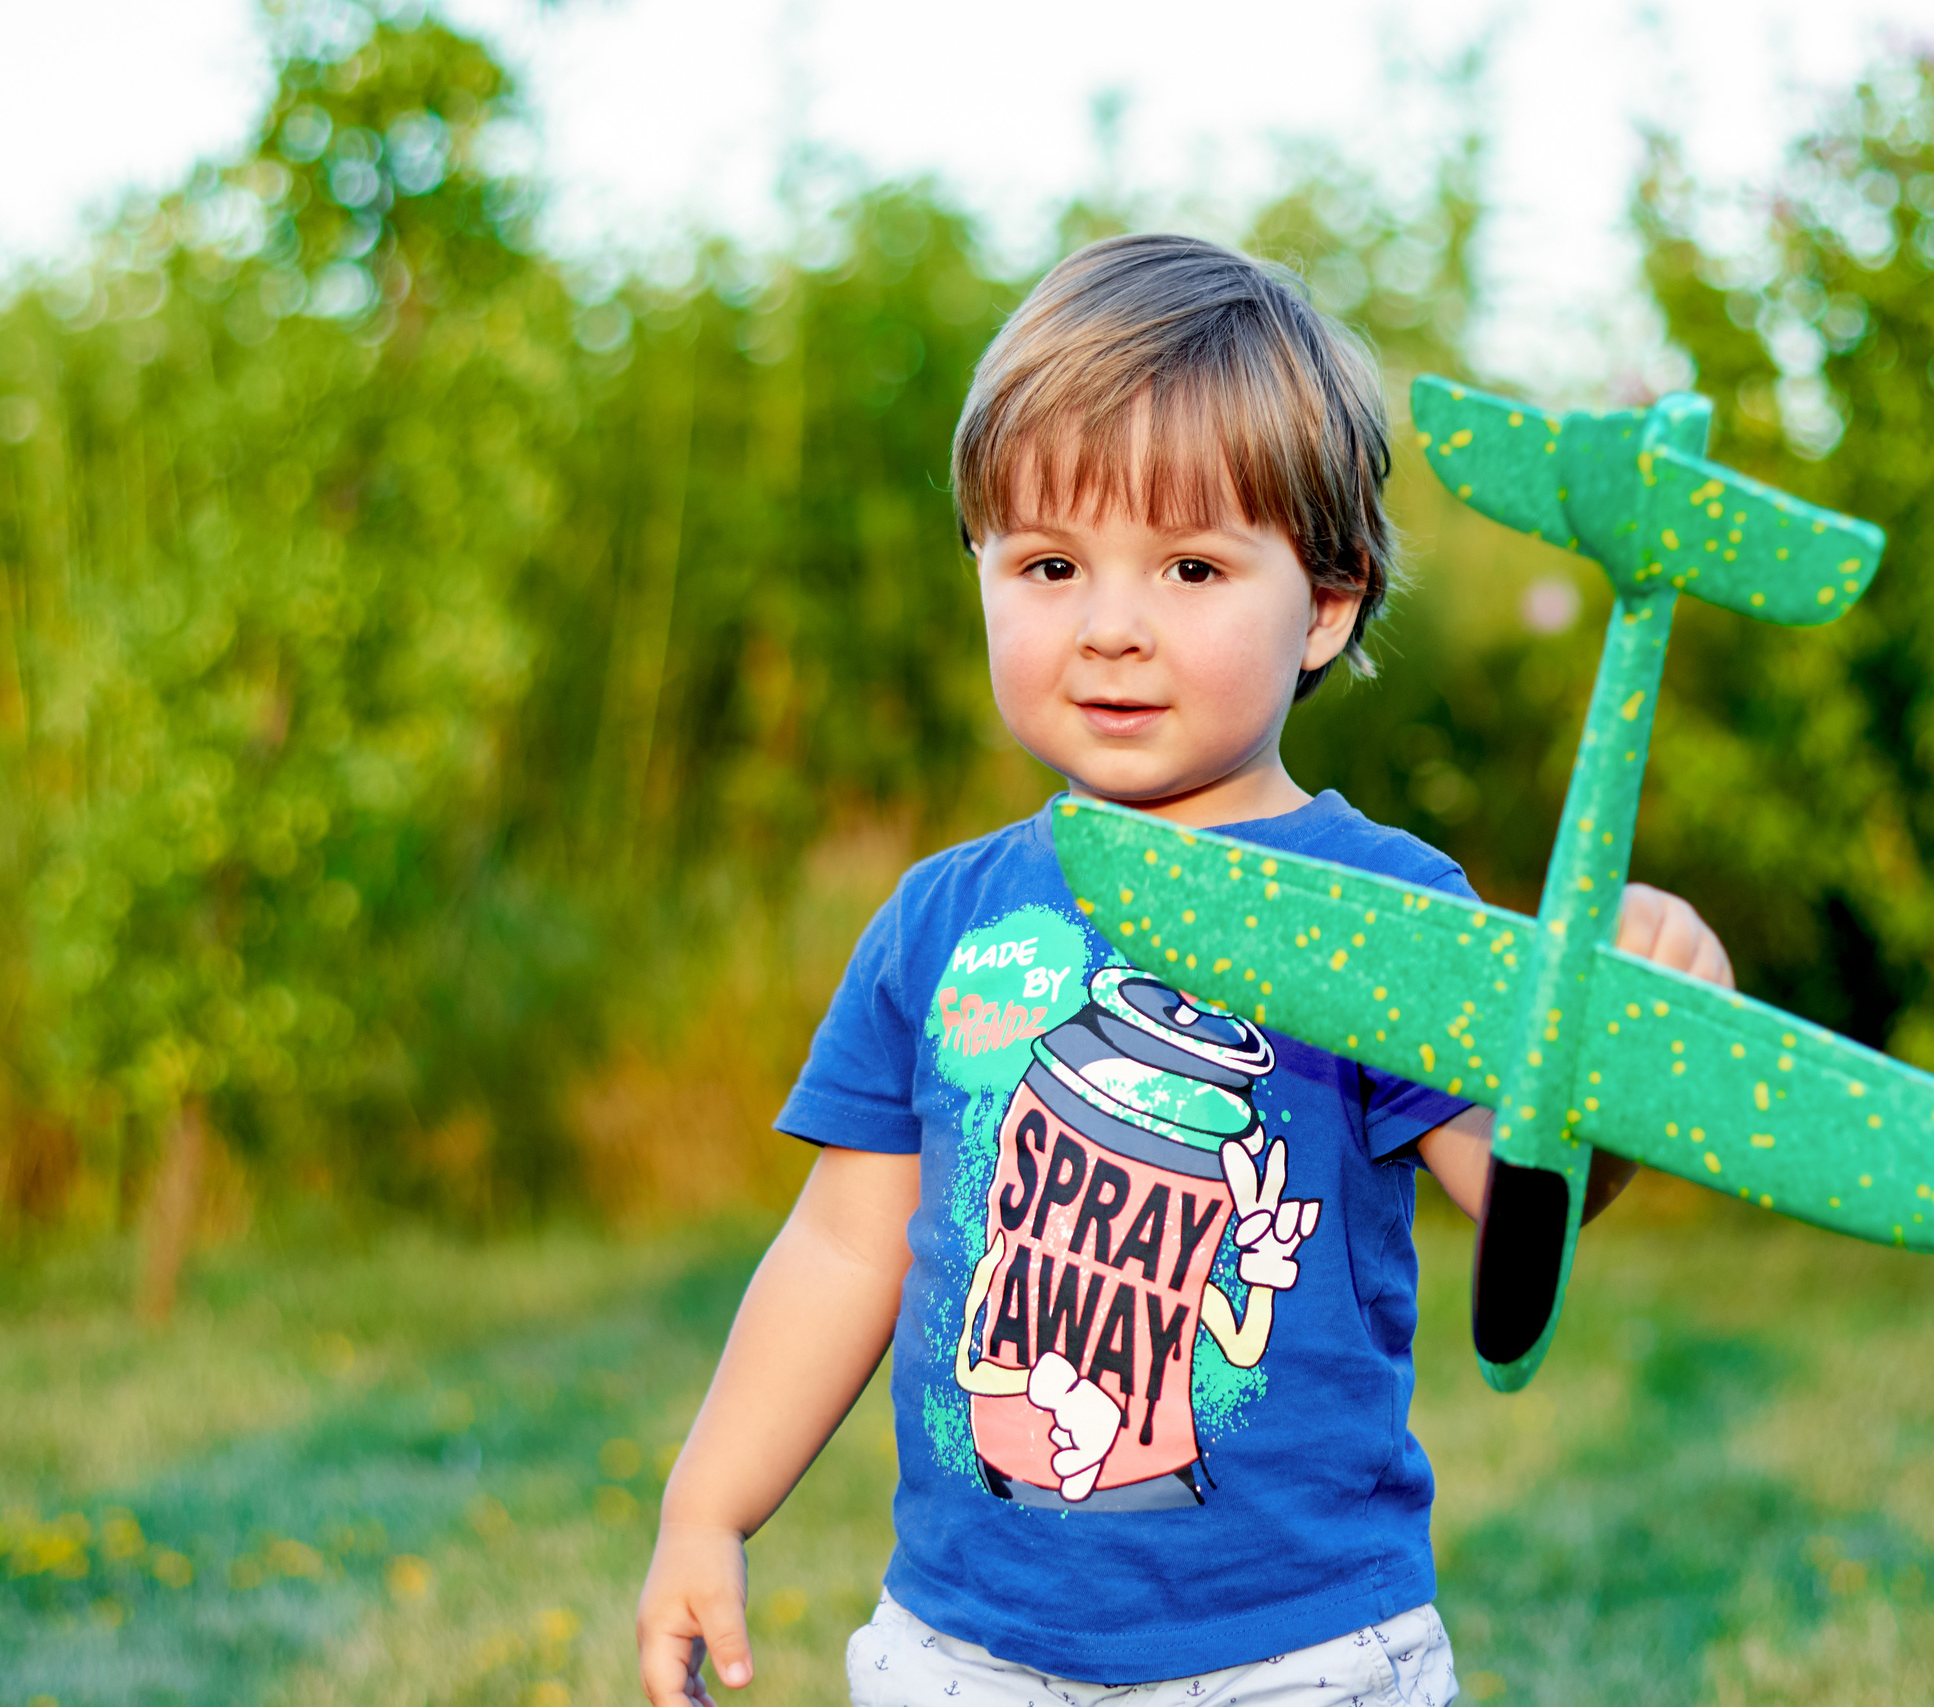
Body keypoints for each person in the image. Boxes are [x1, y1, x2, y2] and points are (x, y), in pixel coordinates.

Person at [635, 233, 1735, 1707]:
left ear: (1327, 605)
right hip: (968, 1652)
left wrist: (1621, 1057)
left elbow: (1522, 1198)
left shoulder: (1383, 909)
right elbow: (845, 1247)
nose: (1109, 625)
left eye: (1194, 566)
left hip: (1294, 1654)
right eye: (1047, 563)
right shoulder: (945, 917)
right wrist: (707, 1504)